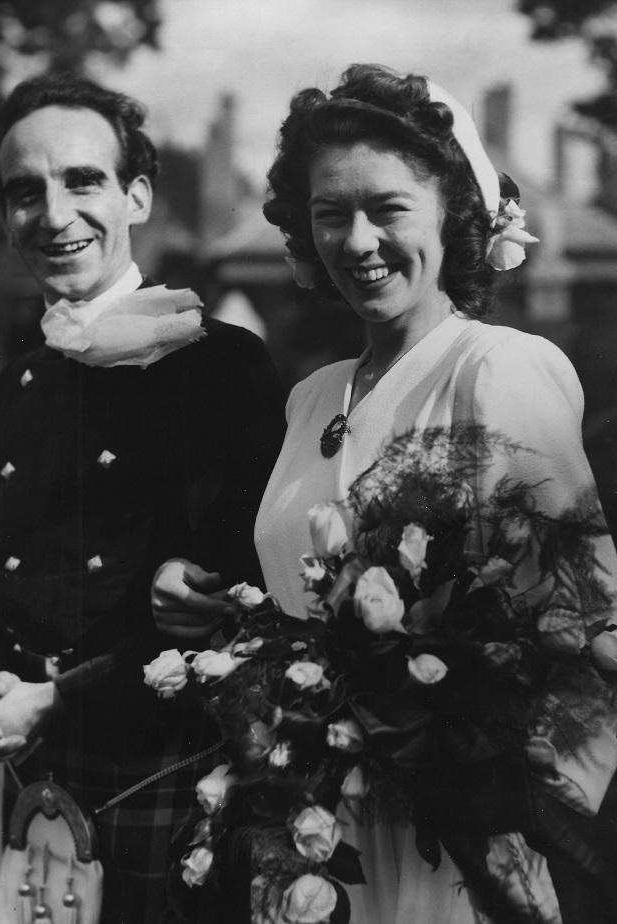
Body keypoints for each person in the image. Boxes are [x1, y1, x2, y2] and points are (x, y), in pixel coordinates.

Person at [154, 65, 617, 923]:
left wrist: (516, 807)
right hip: (310, 837)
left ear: (453, 213)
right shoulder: (310, 396)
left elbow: (591, 624)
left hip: (456, 841)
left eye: (388, 208)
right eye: (331, 213)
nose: (359, 240)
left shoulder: (498, 369)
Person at [0, 73, 285, 924]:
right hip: (41, 779)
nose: (53, 215)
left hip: (163, 768)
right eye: (26, 192)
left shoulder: (218, 365)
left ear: (137, 195)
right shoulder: (20, 381)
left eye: (82, 181)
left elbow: (232, 603)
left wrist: (55, 697)